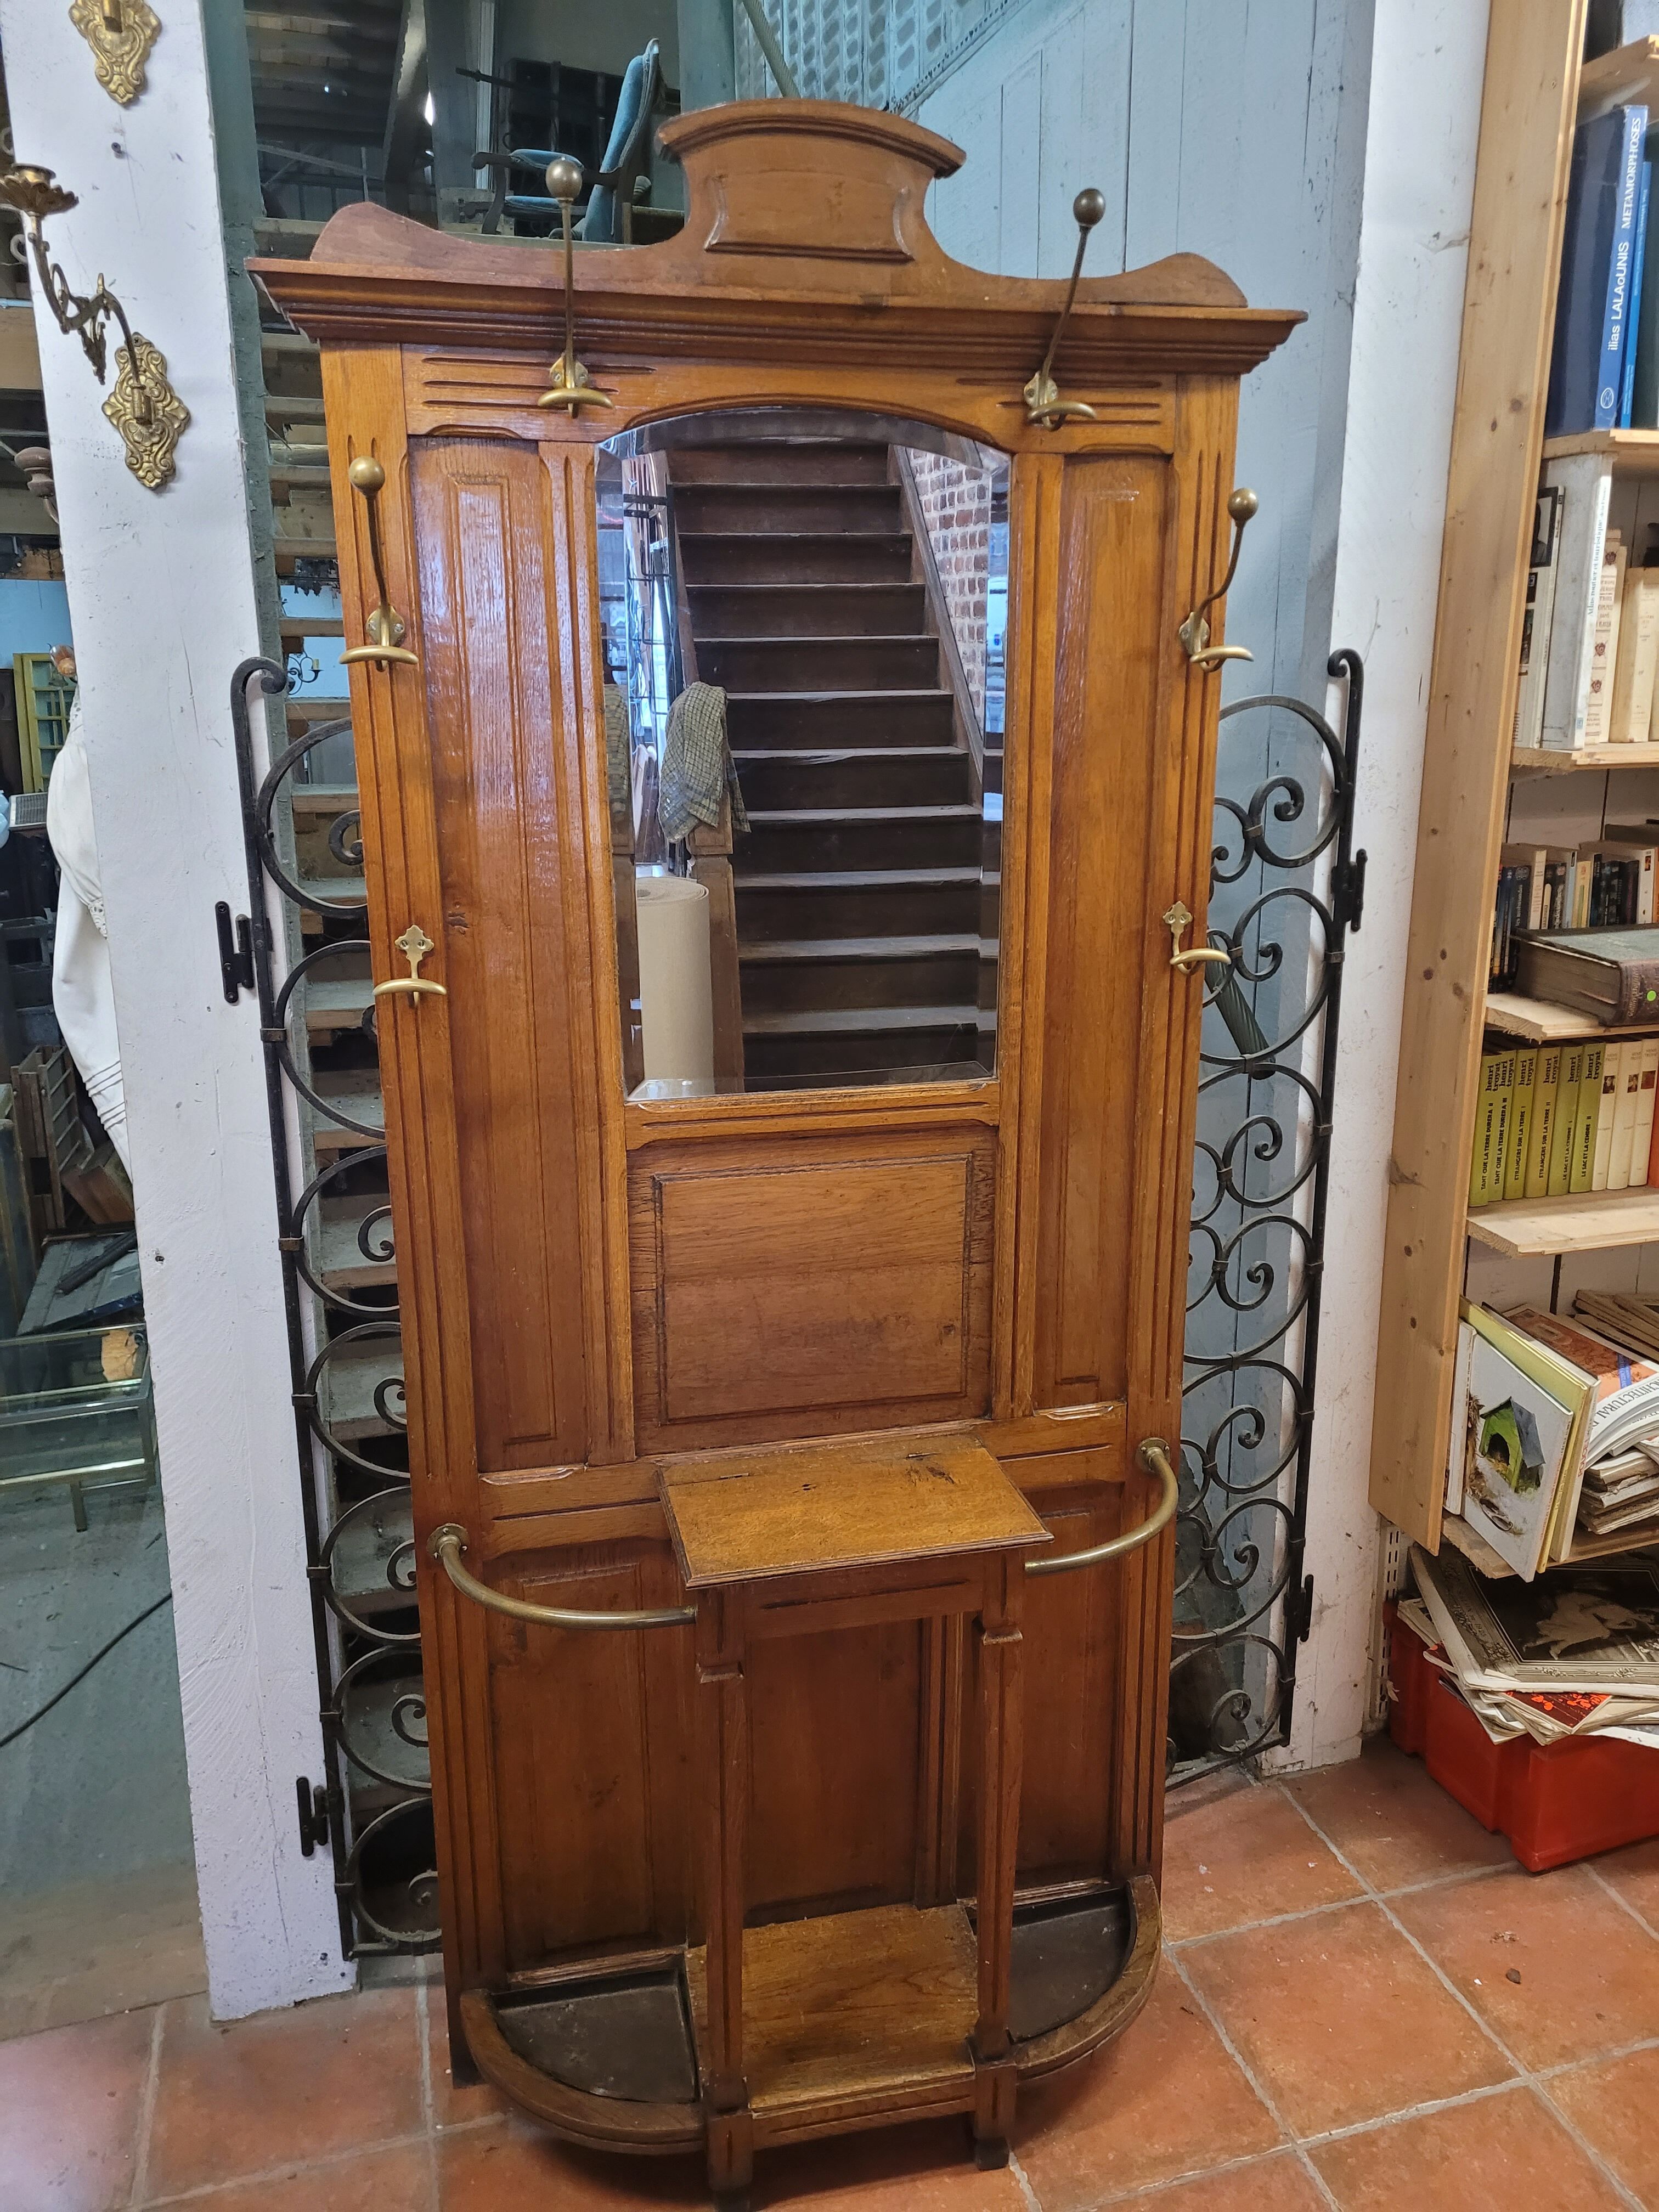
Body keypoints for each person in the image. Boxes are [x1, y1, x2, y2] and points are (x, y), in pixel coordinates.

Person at [44, 644, 128, 1170]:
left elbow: (78, 838)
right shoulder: (84, 752)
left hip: (115, 922)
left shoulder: (89, 749)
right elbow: (76, 837)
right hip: (108, 924)